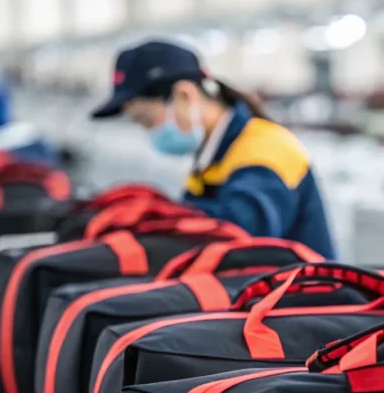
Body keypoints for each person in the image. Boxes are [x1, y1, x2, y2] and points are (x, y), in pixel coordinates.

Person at [90, 40, 336, 259]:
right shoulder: (213, 155)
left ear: (184, 95)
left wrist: (155, 214)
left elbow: (240, 236)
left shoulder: (267, 149)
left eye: (147, 120)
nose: (149, 133)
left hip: (306, 301)